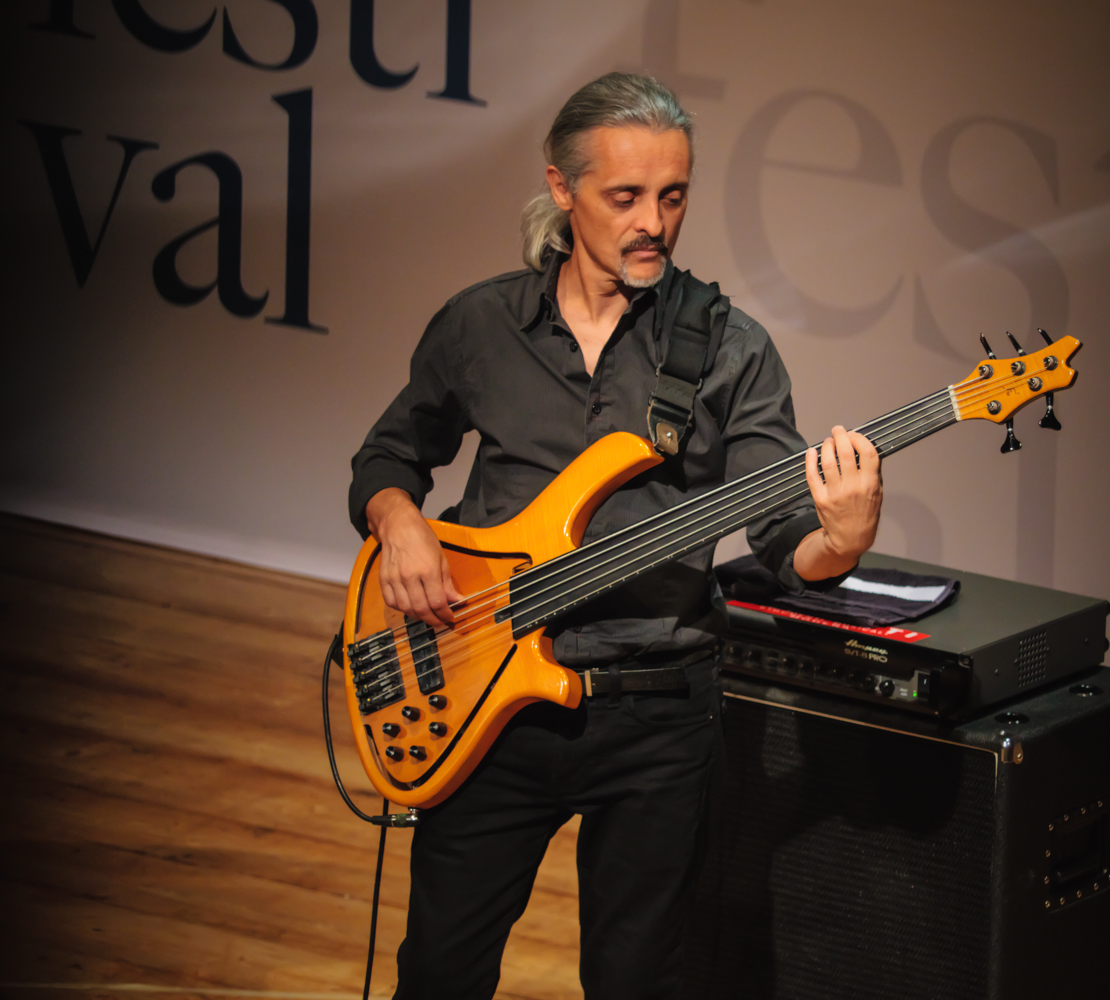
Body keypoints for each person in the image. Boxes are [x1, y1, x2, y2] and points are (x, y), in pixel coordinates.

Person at [347, 72, 884, 999]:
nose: (655, 223)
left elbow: (784, 536)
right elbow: (391, 455)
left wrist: (843, 538)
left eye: (673, 197)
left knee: (637, 982)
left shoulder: (729, 348)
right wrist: (398, 522)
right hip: (482, 696)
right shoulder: (482, 323)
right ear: (561, 188)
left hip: (656, 715)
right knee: (439, 973)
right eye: (625, 196)